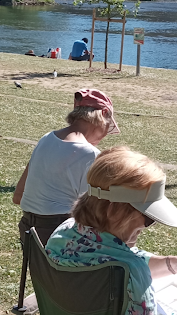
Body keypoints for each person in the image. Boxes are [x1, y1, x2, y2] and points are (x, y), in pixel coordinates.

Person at [46, 146, 177, 315]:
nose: (149, 226)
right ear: (114, 211)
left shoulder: (63, 234)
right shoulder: (132, 275)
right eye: (148, 217)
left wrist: (175, 264)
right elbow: (127, 268)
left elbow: (118, 257)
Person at [13, 89, 120, 245]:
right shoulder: (90, 154)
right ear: (103, 114)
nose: (105, 135)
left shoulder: (46, 138)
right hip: (60, 237)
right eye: (108, 128)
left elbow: (18, 196)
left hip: (28, 233)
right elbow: (92, 215)